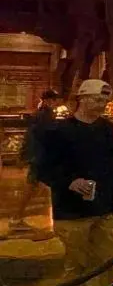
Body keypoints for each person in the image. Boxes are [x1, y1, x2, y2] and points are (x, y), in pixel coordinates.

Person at [37, 80, 113, 286]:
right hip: (72, 212)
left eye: (104, 101)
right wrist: (69, 181)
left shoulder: (107, 129)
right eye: (97, 100)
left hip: (104, 208)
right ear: (82, 99)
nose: (101, 105)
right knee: (76, 266)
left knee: (109, 262)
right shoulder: (59, 131)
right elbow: (43, 168)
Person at [13, 90, 61, 230]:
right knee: (32, 186)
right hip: (40, 157)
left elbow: (30, 136)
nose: (54, 103)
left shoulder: (41, 114)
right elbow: (47, 136)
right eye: (53, 100)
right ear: (48, 100)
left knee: (36, 186)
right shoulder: (45, 115)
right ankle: (16, 219)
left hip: (38, 156)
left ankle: (17, 218)